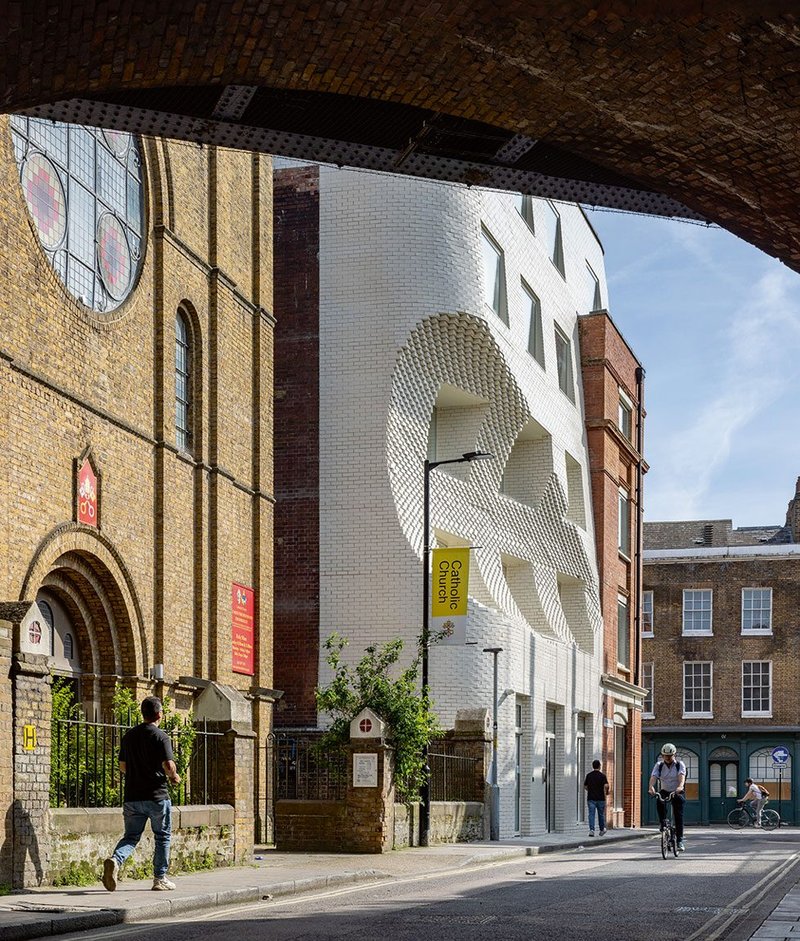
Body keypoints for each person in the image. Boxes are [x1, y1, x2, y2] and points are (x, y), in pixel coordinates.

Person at [102, 696, 181, 892]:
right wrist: (174, 777)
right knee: (162, 836)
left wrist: (138, 773)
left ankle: (115, 860)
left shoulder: (129, 736)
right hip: (157, 796)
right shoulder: (161, 736)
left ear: (143, 714)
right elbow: (169, 765)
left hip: (132, 796)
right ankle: (160, 878)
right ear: (159, 714)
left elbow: (122, 766)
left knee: (131, 836)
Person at [648, 742, 687, 852]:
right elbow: (653, 776)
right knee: (659, 800)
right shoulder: (659, 765)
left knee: (678, 815)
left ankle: (679, 840)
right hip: (665, 790)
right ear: (662, 755)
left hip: (676, 791)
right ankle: (663, 822)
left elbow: (681, 776)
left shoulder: (680, 764)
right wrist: (651, 787)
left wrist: (680, 786)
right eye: (665, 755)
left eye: (670, 756)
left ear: (674, 755)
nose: (668, 758)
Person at [584, 759, 610, 837]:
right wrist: (607, 791)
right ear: (599, 766)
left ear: (593, 766)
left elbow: (585, 786)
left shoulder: (589, 775)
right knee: (601, 815)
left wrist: (590, 790)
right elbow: (606, 785)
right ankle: (602, 830)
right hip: (600, 798)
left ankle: (592, 830)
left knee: (591, 814)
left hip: (591, 798)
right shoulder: (602, 776)